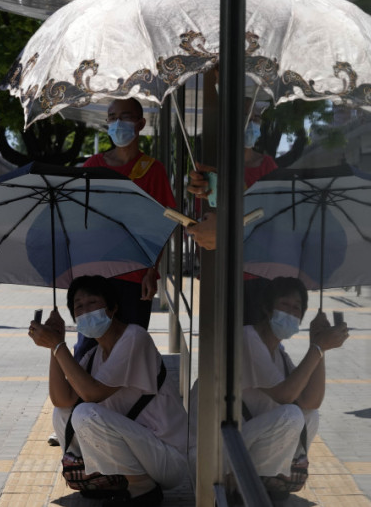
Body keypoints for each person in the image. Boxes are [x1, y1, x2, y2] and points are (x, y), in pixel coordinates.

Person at [29, 275, 187, 506]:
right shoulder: (94, 355)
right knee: (64, 414)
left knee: (85, 414)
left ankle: (142, 488)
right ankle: (110, 479)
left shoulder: (134, 337)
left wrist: (58, 346)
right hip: (142, 451)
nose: (85, 311)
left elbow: (92, 394)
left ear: (113, 308)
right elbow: (62, 401)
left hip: (168, 457)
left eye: (92, 303)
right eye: (79, 307)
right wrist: (56, 344)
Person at [190, 277, 347, 501]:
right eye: (285, 304)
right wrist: (318, 347)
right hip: (214, 449)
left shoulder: (278, 353)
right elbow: (286, 395)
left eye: (297, 308)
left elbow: (311, 402)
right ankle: (261, 480)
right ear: (266, 307)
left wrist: (319, 347)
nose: (291, 313)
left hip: (239, 443)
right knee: (291, 414)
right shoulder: (247, 338)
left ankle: (268, 478)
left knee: (308, 415)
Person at [74, 98, 176, 360]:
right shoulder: (92, 167)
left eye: (126, 117)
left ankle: (127, 401)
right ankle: (83, 399)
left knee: (131, 350)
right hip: (94, 275)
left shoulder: (153, 171)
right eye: (112, 117)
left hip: (135, 275)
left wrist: (152, 270)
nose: (118, 123)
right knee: (89, 348)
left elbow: (164, 223)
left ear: (141, 123)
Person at [185, 99, 277, 324]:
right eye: (245, 118)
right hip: (221, 273)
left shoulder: (268, 167)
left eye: (255, 119)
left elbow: (273, 217)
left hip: (260, 273)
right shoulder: (212, 170)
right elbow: (204, 220)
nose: (251, 124)